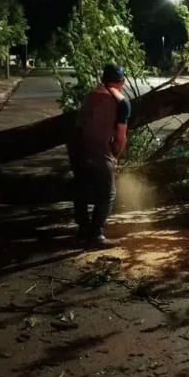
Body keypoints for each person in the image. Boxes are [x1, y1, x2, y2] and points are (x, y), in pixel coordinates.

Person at [70, 64, 130, 248]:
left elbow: (80, 126)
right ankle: (95, 235)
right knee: (107, 194)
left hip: (77, 149)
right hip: (99, 152)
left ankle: (82, 230)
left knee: (81, 190)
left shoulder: (90, 95)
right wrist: (114, 157)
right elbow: (120, 137)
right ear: (122, 82)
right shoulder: (121, 102)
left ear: (103, 79)